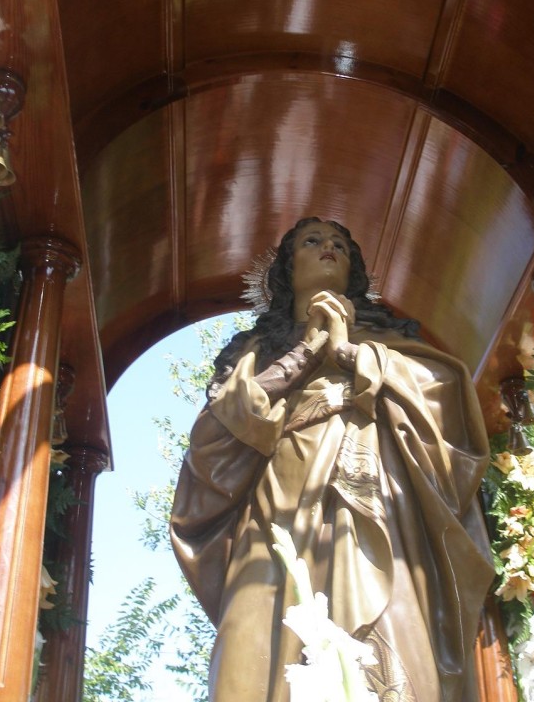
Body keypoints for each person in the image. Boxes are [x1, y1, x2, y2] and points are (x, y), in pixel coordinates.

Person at [170, 218, 495, 701]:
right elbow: (214, 436)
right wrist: (306, 352)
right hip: (274, 513)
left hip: (374, 506)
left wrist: (350, 353)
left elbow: (448, 403)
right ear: (286, 269)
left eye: (341, 243)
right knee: (254, 658)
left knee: (380, 646)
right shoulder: (253, 351)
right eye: (313, 241)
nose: (329, 248)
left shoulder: (393, 345)